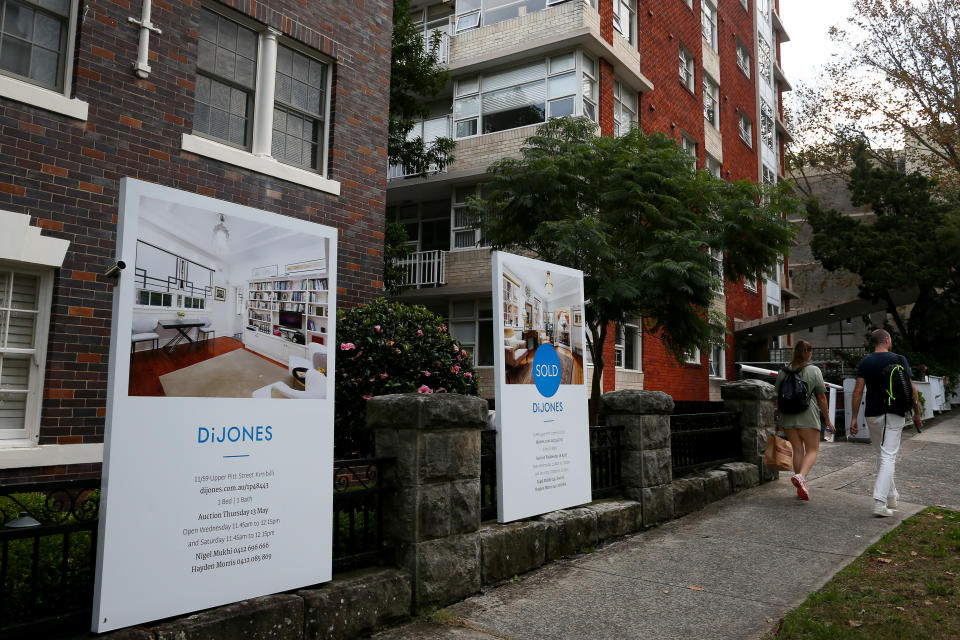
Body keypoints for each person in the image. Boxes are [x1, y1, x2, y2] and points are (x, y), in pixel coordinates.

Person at [849, 329, 922, 517]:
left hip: (872, 413)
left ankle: (892, 496)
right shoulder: (898, 359)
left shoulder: (865, 362)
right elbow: (912, 388)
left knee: (881, 454)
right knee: (889, 455)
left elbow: (858, 391)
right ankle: (880, 502)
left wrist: (854, 417)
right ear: (887, 340)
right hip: (894, 412)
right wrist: (916, 413)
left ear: (874, 342)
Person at [774, 340, 835, 501]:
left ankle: (801, 486)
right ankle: (801, 476)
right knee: (812, 450)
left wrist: (779, 420)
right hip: (808, 416)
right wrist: (828, 420)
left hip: (788, 418)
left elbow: (778, 399)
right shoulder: (814, 370)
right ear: (809, 354)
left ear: (794, 352)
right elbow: (821, 397)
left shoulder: (783, 372)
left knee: (798, 450)